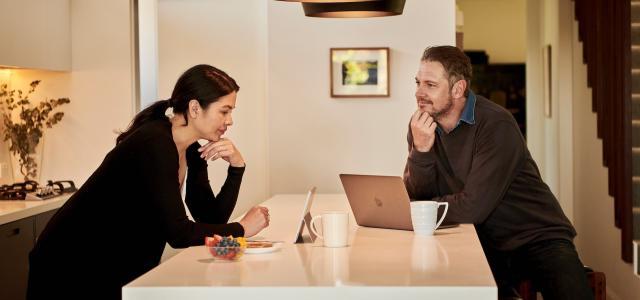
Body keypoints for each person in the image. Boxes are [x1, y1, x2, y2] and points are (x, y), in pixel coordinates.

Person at [27, 64, 270, 299]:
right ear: (195, 108)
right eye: (224, 111)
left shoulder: (192, 152)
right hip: (72, 266)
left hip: (113, 268)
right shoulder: (154, 143)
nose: (230, 121)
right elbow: (180, 234)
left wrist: (237, 168)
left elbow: (210, 221)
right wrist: (242, 230)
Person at [403, 46, 593, 300]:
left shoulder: (495, 124)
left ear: (458, 89)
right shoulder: (421, 126)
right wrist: (422, 151)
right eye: (418, 82)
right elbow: (420, 193)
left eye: (430, 84)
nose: (419, 93)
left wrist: (419, 209)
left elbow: (472, 207)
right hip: (479, 239)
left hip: (536, 237)